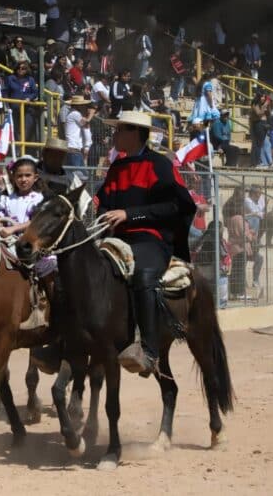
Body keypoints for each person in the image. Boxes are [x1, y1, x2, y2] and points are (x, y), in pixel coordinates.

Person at [95, 111, 196, 376]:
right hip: (117, 239)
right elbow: (104, 201)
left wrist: (130, 215)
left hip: (152, 239)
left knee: (142, 274)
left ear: (136, 134)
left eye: (119, 130)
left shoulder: (160, 165)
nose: (114, 135)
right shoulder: (116, 167)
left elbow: (175, 205)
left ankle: (149, 351)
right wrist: (102, 214)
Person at [0, 157, 55, 328]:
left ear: (35, 177)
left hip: (32, 246)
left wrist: (14, 228)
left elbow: (36, 221)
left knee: (48, 269)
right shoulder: (7, 199)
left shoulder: (39, 199)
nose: (23, 179)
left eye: (27, 175)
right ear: (13, 178)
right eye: (19, 176)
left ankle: (50, 309)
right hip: (7, 244)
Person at [6, 60, 38, 146]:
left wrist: (29, 98)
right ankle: (18, 149)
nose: (20, 70)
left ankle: (21, 149)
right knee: (15, 129)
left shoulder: (30, 80)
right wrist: (7, 106)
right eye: (18, 68)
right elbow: (6, 93)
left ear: (26, 70)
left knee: (25, 129)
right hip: (14, 108)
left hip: (27, 108)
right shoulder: (10, 79)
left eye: (23, 68)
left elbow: (35, 92)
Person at [64, 95, 95, 168]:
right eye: (83, 105)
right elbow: (86, 122)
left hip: (75, 150)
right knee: (77, 175)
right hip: (73, 150)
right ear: (79, 106)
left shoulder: (73, 113)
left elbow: (86, 126)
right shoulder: (75, 113)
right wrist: (91, 114)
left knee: (80, 175)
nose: (85, 106)